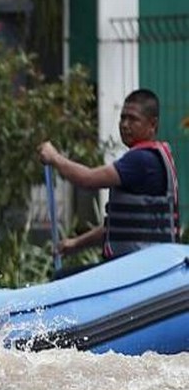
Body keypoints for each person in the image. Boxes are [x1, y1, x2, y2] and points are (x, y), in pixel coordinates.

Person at [38, 89, 180, 276]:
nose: (125, 125)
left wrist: (55, 158)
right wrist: (75, 243)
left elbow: (88, 179)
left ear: (152, 124)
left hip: (141, 272)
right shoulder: (150, 157)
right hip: (140, 266)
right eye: (123, 118)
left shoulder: (142, 160)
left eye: (133, 119)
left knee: (61, 278)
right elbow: (117, 228)